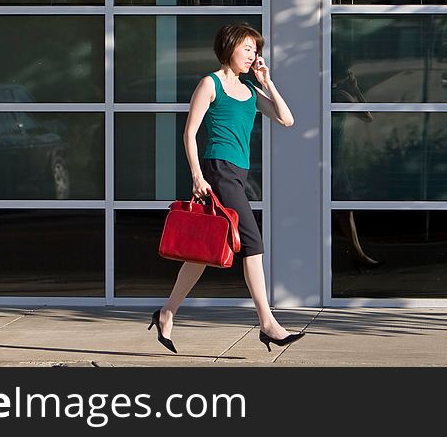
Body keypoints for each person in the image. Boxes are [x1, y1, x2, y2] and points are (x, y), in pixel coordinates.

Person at [148, 23, 305, 354]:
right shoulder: (211, 83)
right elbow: (190, 133)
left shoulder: (249, 89)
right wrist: (196, 175)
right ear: (229, 47)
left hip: (238, 173)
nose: (252, 55)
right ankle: (267, 323)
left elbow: (287, 119)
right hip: (217, 170)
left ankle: (166, 312)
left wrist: (267, 82)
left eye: (255, 50)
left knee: (205, 250)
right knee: (252, 243)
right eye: (246, 48)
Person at [331, 53, 380, 269]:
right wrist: (355, 88)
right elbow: (368, 115)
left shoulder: (327, 93)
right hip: (331, 158)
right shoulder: (340, 95)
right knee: (338, 204)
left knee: (343, 204)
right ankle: (355, 252)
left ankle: (356, 252)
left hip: (334, 157)